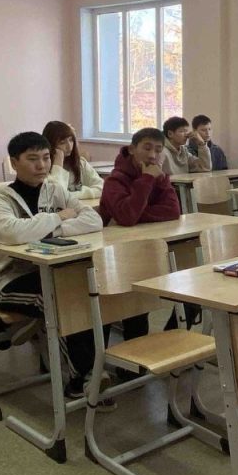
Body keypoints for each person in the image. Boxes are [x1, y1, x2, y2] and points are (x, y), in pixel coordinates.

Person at [0, 132, 103, 398]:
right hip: (8, 280)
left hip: (51, 271)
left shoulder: (54, 190)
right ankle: (82, 377)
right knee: (58, 300)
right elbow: (11, 232)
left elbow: (93, 221)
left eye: (46, 158)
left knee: (86, 292)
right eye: (32, 159)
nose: (42, 165)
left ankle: (91, 367)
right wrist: (59, 217)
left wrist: (50, 230)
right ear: (14, 163)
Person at [99, 128, 183, 342]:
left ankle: (142, 352)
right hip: (112, 256)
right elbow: (127, 216)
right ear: (132, 149)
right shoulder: (115, 181)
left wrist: (139, 211)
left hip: (142, 250)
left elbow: (173, 211)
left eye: (158, 150)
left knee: (139, 308)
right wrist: (146, 180)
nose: (152, 155)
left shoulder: (158, 175)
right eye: (147, 148)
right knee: (119, 309)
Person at [42, 120, 104, 200]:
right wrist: (58, 166)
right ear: (51, 145)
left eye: (71, 140)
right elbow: (57, 196)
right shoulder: (42, 168)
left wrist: (73, 195)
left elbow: (101, 188)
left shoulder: (80, 163)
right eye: (62, 142)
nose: (69, 146)